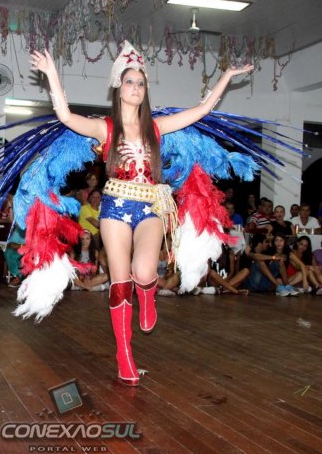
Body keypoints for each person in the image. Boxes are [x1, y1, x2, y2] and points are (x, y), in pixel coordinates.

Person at [31, 42, 253, 386]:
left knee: (145, 271)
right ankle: (124, 355)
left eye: (140, 83)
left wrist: (227, 75)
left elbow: (202, 110)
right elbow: (66, 117)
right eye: (129, 82)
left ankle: (148, 294)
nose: (135, 88)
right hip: (114, 208)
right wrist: (52, 76)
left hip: (150, 207)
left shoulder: (157, 127)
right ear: (119, 87)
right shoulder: (105, 128)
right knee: (120, 282)